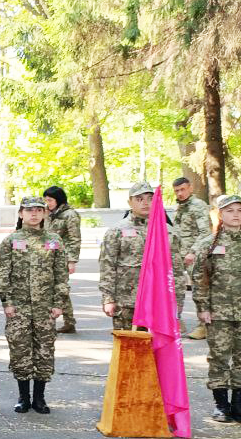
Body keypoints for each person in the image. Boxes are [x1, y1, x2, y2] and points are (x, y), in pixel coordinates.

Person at [0, 196, 69, 414]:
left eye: (38, 210)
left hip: (45, 308)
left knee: (44, 351)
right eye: (29, 210)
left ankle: (39, 398)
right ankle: (23, 397)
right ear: (21, 214)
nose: (34, 214)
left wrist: (58, 302)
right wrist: (7, 302)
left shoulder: (54, 240)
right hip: (19, 307)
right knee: (20, 350)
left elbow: (61, 274)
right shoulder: (11, 240)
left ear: (45, 213)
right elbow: (2, 273)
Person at [99, 182, 187, 331]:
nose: (145, 203)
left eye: (150, 199)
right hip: (127, 303)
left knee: (157, 344)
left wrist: (177, 300)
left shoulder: (168, 231)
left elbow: (176, 269)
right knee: (129, 345)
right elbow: (107, 266)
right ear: (130, 202)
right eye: (139, 199)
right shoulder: (117, 231)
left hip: (160, 302)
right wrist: (108, 299)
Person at [193, 194, 241, 423]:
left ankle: (238, 405)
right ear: (220, 215)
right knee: (219, 358)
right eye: (230, 211)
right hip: (218, 312)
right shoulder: (209, 244)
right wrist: (203, 308)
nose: (236, 215)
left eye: (239, 210)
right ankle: (221, 405)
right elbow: (200, 278)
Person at [173, 176, 213, 340]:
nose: (180, 193)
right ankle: (176, 321)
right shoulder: (181, 207)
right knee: (175, 288)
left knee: (199, 289)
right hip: (180, 255)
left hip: (195, 256)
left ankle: (204, 326)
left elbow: (206, 233)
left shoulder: (198, 206)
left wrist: (193, 252)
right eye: (177, 190)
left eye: (183, 189)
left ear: (190, 188)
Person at [43, 186, 81, 333]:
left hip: (62, 258)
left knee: (61, 288)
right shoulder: (48, 213)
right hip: (46, 256)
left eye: (50, 200)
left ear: (58, 200)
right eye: (46, 200)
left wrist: (72, 261)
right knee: (49, 288)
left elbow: (74, 238)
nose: (47, 203)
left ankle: (68, 321)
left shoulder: (70, 215)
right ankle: (66, 321)